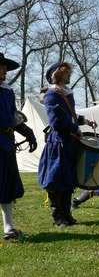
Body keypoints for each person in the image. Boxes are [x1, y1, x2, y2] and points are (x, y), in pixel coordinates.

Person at [38, 62, 97, 228]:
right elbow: (56, 122)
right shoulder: (51, 94)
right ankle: (58, 217)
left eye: (69, 72)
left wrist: (84, 121)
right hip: (58, 142)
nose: (69, 75)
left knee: (69, 179)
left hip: (68, 142)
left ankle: (67, 215)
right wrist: (75, 129)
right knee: (57, 180)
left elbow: (70, 115)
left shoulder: (66, 93)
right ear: (57, 75)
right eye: (66, 73)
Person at [1, 52, 37, 239]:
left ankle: (8, 229)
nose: (5, 69)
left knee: (7, 186)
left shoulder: (7, 91)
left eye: (6, 66)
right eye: (2, 66)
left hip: (7, 143)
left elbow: (12, 117)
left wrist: (27, 132)